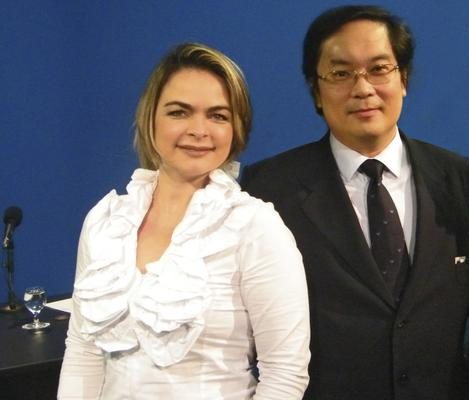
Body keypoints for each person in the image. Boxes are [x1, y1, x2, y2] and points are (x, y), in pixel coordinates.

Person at [240, 5, 469, 400]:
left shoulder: (459, 177)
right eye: (340, 73)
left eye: (379, 68)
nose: (363, 88)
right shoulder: (269, 188)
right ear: (316, 92)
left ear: (403, 79)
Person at [58, 43, 311, 399]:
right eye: (179, 112)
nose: (199, 130)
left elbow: (285, 374)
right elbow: (82, 353)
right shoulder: (104, 221)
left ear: (236, 130)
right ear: (150, 119)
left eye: (218, 116)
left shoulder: (256, 227)